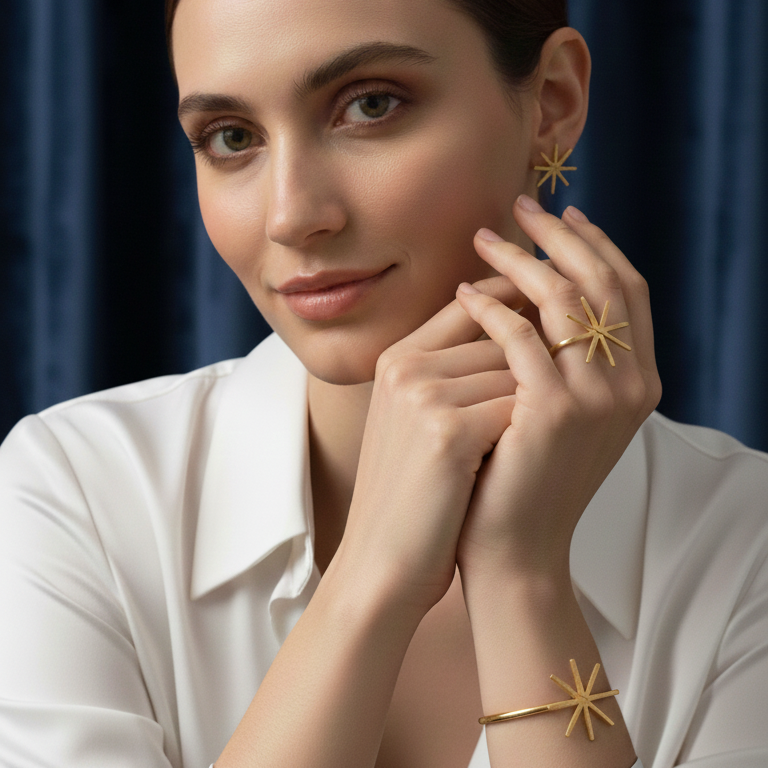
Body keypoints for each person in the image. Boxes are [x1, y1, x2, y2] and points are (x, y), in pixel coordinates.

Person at [0, 1, 766, 767]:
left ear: (552, 103)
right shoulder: (78, 491)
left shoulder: (746, 543)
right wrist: (371, 576)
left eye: (371, 105)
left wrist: (520, 575)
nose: (291, 216)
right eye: (231, 137)